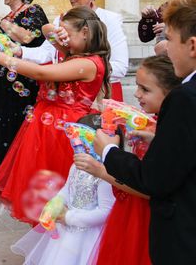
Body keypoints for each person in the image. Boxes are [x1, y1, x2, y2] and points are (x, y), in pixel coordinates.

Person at [0, 6, 111, 223]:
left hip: (65, 133)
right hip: (46, 126)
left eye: (68, 33)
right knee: (39, 195)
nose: (62, 40)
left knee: (58, 193)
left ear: (85, 33)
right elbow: (46, 28)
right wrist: (60, 32)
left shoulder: (88, 63)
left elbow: (41, 72)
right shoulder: (72, 53)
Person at [93, 0, 196, 264]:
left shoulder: (185, 97)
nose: (164, 48)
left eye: (169, 40)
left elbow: (155, 180)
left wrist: (109, 152)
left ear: (193, 46)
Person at [74, 56, 181, 265]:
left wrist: (102, 170)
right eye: (138, 87)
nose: (137, 94)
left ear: (171, 94)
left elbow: (148, 188)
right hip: (130, 211)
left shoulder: (171, 130)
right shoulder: (159, 126)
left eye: (145, 89)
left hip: (144, 219)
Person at [14, 0, 128, 101]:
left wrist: (80, 71)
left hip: (97, 96)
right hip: (66, 95)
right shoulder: (61, 19)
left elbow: (120, 66)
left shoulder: (110, 20)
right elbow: (47, 53)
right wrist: (18, 51)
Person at [11, 117, 116, 265]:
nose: (77, 145)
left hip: (88, 237)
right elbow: (67, 189)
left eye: (83, 141)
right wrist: (55, 203)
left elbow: (106, 212)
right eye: (75, 141)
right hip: (66, 229)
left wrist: (69, 218)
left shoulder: (105, 175)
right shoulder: (76, 166)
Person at [0, 0, 49, 175]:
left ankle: (20, 176)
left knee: (18, 126)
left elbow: (27, 37)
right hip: (3, 80)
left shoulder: (33, 11)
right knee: (3, 126)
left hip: (23, 81)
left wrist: (0, 21)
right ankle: (3, 176)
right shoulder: (7, 18)